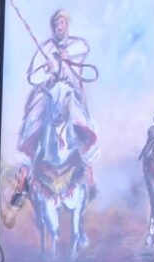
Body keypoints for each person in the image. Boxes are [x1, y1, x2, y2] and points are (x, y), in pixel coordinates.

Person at [18, 9, 98, 167]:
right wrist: (47, 70)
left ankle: (86, 155)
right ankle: (27, 159)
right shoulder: (46, 48)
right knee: (34, 115)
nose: (58, 27)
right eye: (56, 24)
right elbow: (32, 77)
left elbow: (84, 48)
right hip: (48, 91)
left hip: (70, 91)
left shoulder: (76, 45)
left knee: (78, 116)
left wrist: (66, 54)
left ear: (67, 25)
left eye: (61, 23)